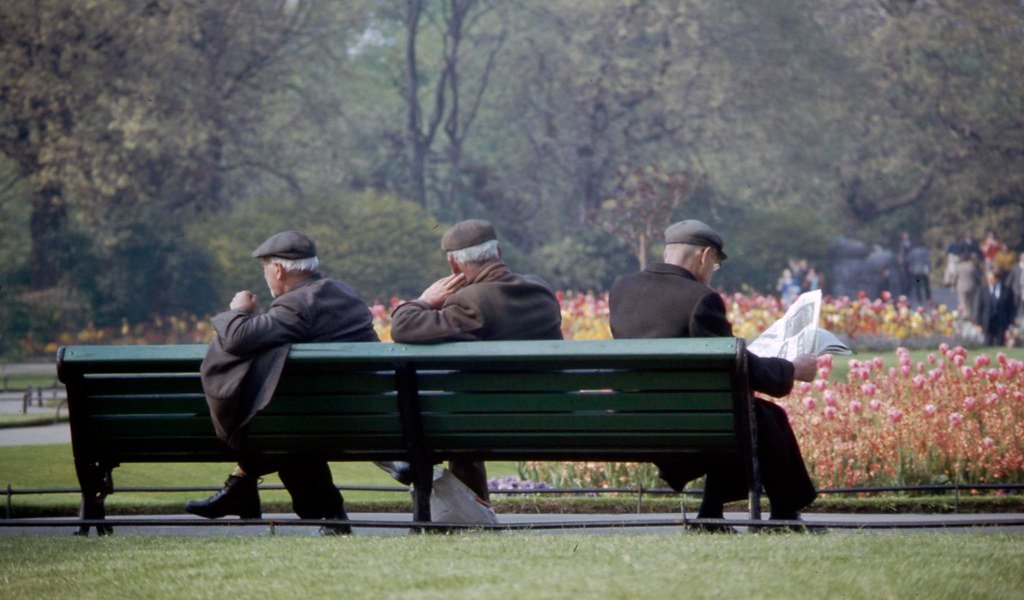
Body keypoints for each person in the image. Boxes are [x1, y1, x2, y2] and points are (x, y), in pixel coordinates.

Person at [609, 220, 819, 532]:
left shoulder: (621, 290)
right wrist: (789, 369)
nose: (712, 272)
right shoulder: (700, 299)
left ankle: (714, 516)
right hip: (690, 424)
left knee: (739, 412)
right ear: (705, 255)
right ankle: (783, 515)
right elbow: (733, 365)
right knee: (755, 416)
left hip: (635, 419)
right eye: (716, 265)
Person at [186, 231, 379, 534]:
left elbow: (238, 338)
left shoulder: (296, 306)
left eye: (265, 270)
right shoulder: (344, 293)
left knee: (284, 430)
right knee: (288, 423)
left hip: (319, 423)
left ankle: (324, 513)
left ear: (278, 270)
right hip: (365, 415)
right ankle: (242, 486)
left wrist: (237, 310)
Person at [389, 219, 563, 502]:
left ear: (454, 265)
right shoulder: (540, 290)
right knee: (467, 412)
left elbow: (403, 328)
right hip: (553, 413)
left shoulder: (469, 301)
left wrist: (424, 301)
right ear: (500, 252)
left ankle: (476, 513)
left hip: (485, 422)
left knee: (459, 419)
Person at [972, 269, 1016, 347]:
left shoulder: (1007, 291)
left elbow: (1011, 309)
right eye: (988, 278)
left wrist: (1011, 324)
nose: (989, 280)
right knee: (987, 344)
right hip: (987, 322)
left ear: (997, 279)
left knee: (1000, 344)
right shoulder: (982, 291)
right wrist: (977, 323)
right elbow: (978, 307)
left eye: (991, 278)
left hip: (1001, 322)